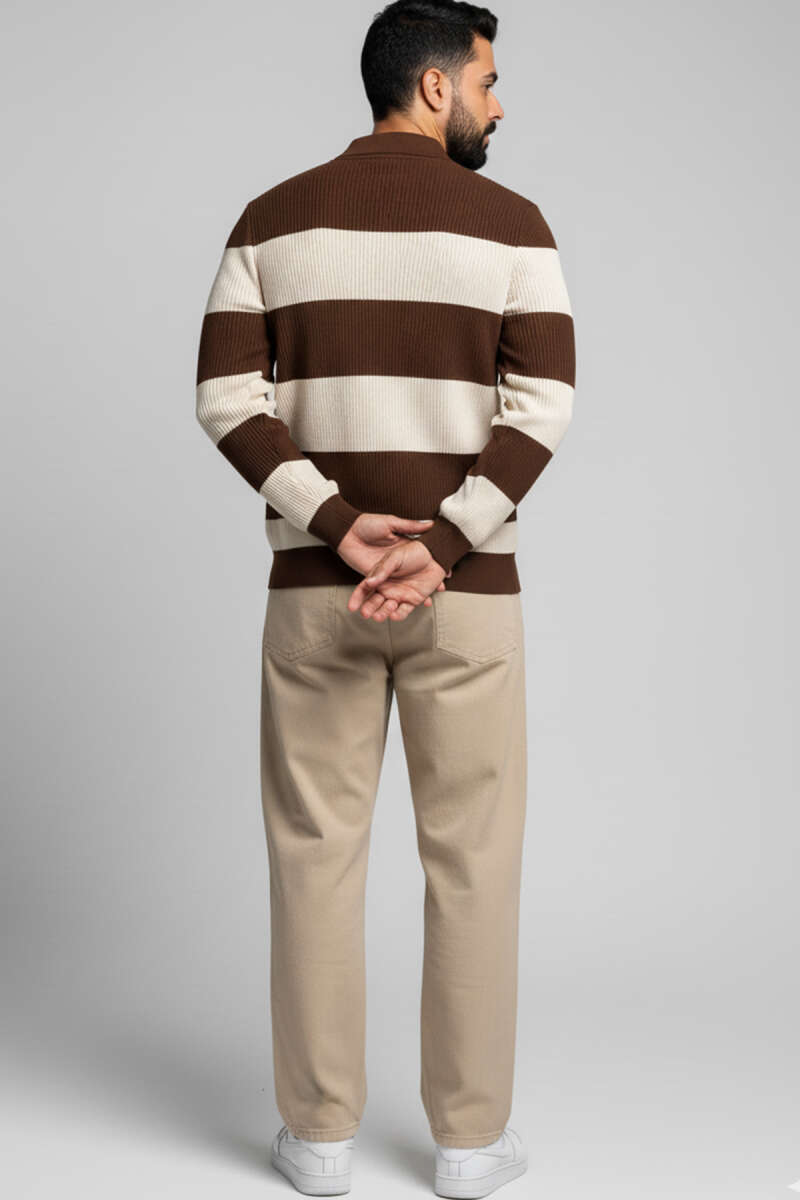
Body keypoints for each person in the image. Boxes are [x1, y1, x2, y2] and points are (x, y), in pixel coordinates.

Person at [195, 1, 576, 1194]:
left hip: (317, 595)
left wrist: (338, 524)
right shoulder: (514, 227)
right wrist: (444, 542)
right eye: (487, 81)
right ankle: (467, 1145)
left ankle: (316, 1141)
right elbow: (543, 408)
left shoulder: (269, 220)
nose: (497, 105)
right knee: (474, 861)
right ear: (432, 87)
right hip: (468, 598)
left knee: (313, 857)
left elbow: (225, 397)